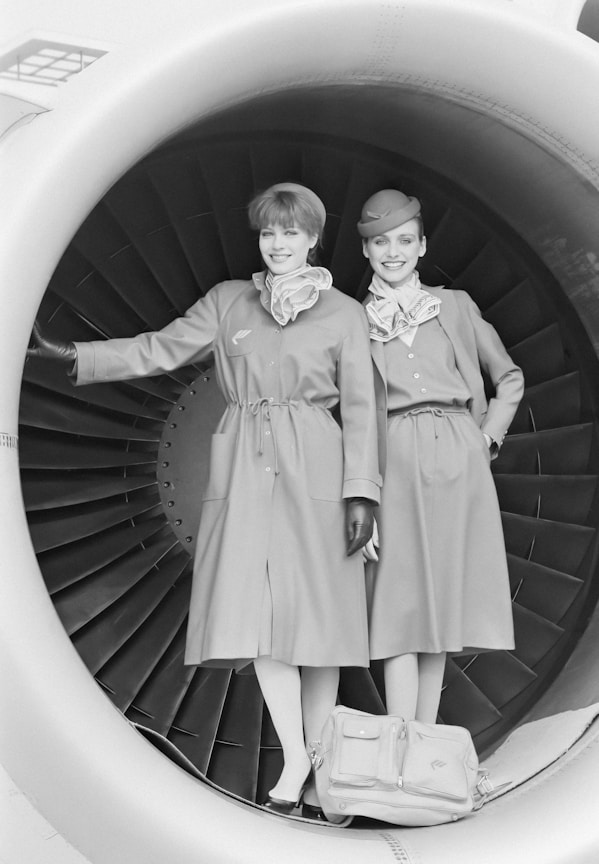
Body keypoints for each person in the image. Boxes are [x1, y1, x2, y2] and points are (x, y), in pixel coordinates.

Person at [29, 182, 381, 820]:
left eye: (291, 233)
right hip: (246, 463)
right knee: (263, 621)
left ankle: (321, 767)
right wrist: (74, 357)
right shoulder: (228, 303)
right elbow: (158, 348)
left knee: (320, 628)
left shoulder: (344, 314)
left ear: (313, 238)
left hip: (318, 466)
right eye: (268, 233)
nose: (278, 244)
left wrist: (363, 494)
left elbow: (362, 410)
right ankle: (297, 756)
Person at [357, 189, 524, 725]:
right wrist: (361, 494)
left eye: (405, 241)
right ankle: (402, 740)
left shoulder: (454, 305)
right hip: (394, 459)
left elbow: (509, 377)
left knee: (440, 608)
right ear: (365, 251)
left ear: (422, 245)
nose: (394, 252)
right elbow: (347, 416)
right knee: (401, 606)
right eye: (381, 242)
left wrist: (485, 437)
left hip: (458, 454)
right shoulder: (349, 322)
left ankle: (419, 741)